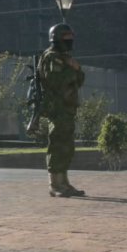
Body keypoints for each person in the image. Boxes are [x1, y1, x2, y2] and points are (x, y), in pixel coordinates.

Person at [38, 23, 85, 197]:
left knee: (67, 147)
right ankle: (55, 184)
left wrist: (76, 69)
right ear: (56, 38)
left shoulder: (64, 58)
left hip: (67, 107)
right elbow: (55, 80)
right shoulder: (51, 57)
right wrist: (73, 69)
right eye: (66, 39)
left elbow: (81, 79)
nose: (70, 42)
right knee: (57, 145)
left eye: (71, 38)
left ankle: (65, 183)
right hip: (57, 108)